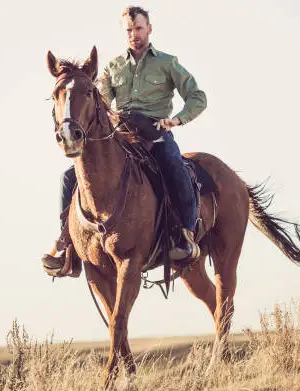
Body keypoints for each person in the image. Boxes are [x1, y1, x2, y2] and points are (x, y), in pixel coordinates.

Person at [42, 6, 207, 275]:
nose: (134, 34)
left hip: (156, 132)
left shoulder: (167, 63)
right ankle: (66, 245)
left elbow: (198, 97)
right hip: (122, 134)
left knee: (174, 166)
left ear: (149, 29)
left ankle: (184, 235)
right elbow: (101, 101)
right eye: (129, 30)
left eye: (139, 28)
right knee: (69, 178)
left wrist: (176, 120)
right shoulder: (114, 66)